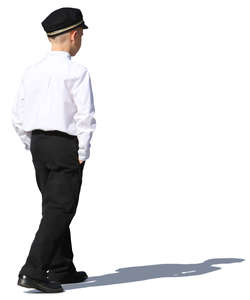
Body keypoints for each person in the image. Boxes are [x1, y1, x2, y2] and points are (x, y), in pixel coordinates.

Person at [11, 7, 96, 293]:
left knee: (52, 207)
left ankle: (62, 267)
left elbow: (18, 115)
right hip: (64, 147)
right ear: (74, 35)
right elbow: (85, 117)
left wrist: (31, 143)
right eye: (81, 34)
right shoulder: (77, 72)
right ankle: (32, 270)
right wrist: (82, 151)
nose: (81, 39)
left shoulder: (32, 71)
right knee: (61, 209)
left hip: (38, 146)